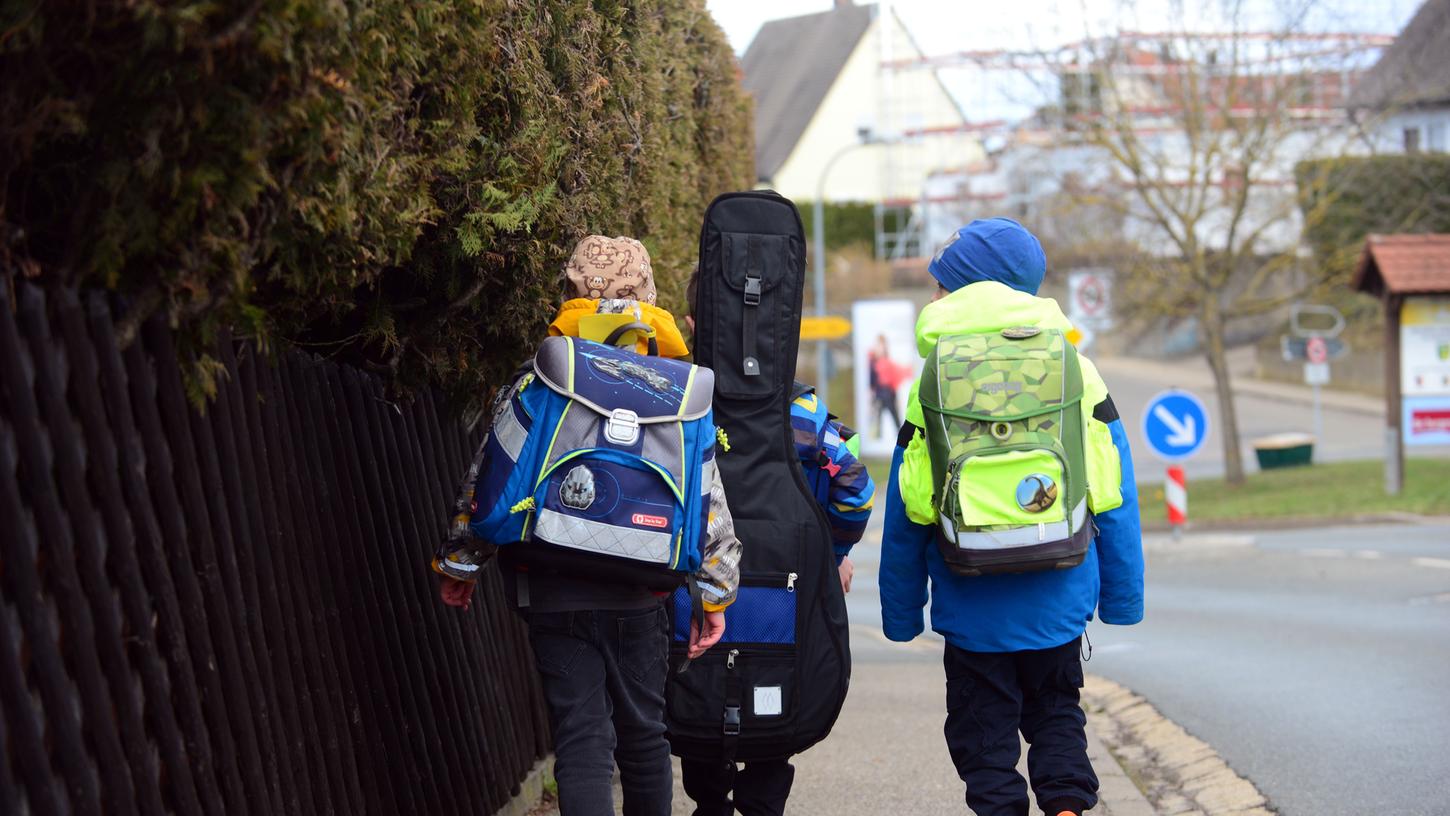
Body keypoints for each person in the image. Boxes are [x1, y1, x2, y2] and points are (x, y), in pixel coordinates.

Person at [433, 235, 743, 816]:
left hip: (551, 583)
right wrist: (715, 594)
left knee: (581, 738)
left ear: (570, 292)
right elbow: (709, 502)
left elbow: (493, 473)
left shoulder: (545, 375)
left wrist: (462, 561)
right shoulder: (675, 387)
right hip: (640, 591)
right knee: (645, 736)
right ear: (650, 295)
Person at [878, 218, 1143, 816]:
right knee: (1056, 714)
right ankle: (1068, 806)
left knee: (983, 734)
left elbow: (908, 509)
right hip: (1059, 591)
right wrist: (1122, 598)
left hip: (969, 599)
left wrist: (901, 614)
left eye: (942, 285)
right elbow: (1113, 494)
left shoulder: (935, 380)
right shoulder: (1076, 369)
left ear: (964, 289)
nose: (935, 296)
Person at [677, 270, 877, 816]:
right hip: (780, 596)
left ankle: (709, 801)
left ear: (694, 324)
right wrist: (829, 555)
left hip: (696, 591)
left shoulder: (677, 403)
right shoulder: (803, 413)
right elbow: (855, 489)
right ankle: (763, 802)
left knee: (694, 692)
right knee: (778, 691)